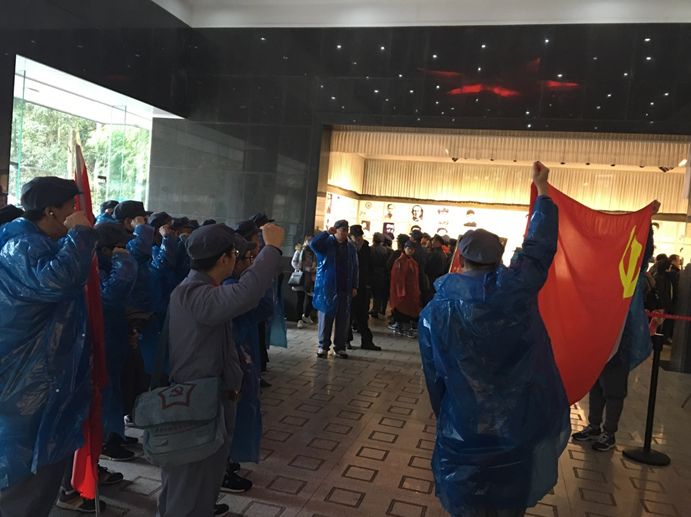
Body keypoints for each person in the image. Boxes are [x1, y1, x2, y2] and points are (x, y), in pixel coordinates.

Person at [418, 162, 570, 517]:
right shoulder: (518, 291)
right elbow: (538, 249)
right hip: (517, 424)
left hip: (463, 427)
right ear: (500, 258)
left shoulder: (436, 311)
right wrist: (542, 191)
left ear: (460, 258)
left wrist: (448, 414)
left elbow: (434, 375)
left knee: (466, 501)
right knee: (508, 499)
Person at [158, 222, 284, 517]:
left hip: (207, 404)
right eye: (237, 255)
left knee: (198, 489)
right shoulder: (194, 294)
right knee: (189, 493)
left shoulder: (199, 290)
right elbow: (247, 293)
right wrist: (271, 250)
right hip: (197, 408)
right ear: (224, 259)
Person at [0, 177, 98, 516]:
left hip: (37, 381)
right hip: (25, 387)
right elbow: (59, 280)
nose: (76, 212)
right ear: (51, 211)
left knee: (40, 476)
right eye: (71, 206)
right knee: (24, 477)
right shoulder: (22, 246)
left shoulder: (35, 242)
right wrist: (81, 234)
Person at [573, 205, 658, 451]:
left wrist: (647, 224)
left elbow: (642, 253)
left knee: (613, 388)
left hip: (620, 338)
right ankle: (594, 426)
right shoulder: (597, 276)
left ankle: (609, 433)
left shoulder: (627, 277)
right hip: (598, 338)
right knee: (596, 385)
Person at [221, 237, 270, 494]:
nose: (251, 264)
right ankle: (221, 471)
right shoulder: (230, 289)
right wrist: (262, 276)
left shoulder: (227, 286)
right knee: (229, 417)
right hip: (229, 365)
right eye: (250, 259)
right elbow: (264, 307)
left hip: (236, 359)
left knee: (233, 415)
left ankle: (224, 464)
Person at [96, 223, 139, 462]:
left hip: (114, 335)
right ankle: (106, 441)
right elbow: (113, 294)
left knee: (114, 390)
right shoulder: (95, 270)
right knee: (106, 393)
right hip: (102, 340)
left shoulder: (106, 267)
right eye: (121, 247)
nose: (126, 251)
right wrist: (123, 262)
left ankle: (115, 433)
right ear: (105, 250)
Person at [311, 220, 359, 359]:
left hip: (345, 287)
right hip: (328, 287)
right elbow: (313, 244)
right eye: (342, 230)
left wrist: (354, 285)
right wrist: (326, 233)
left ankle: (340, 347)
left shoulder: (350, 247)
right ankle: (323, 346)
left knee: (343, 319)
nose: (344, 233)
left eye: (346, 230)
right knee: (325, 318)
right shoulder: (326, 244)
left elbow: (355, 267)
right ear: (335, 230)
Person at [348, 225, 381, 351]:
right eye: (355, 236)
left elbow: (371, 265)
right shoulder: (346, 246)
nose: (358, 239)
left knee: (362, 314)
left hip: (362, 286)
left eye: (360, 236)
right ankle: (346, 340)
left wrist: (369, 281)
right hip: (349, 286)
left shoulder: (366, 247)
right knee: (348, 315)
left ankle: (367, 341)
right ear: (351, 236)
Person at [390, 241, 421, 338]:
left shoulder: (412, 262)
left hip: (410, 290)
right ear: (404, 248)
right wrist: (400, 291)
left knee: (406, 309)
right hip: (403, 290)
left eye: (412, 249)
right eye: (409, 248)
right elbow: (398, 278)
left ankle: (400, 327)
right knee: (403, 309)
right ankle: (405, 328)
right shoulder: (400, 261)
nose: (410, 251)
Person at [292, 234, 317, 329]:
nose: (310, 242)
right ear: (305, 241)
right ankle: (299, 319)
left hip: (311, 279)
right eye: (309, 240)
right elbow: (294, 262)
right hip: (301, 278)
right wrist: (306, 269)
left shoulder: (314, 253)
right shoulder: (300, 251)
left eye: (312, 240)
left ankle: (306, 315)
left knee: (312, 299)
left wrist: (314, 269)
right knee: (300, 299)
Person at [369, 233, 388, 319]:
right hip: (381, 272)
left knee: (369, 293)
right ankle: (376, 310)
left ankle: (369, 309)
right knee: (378, 293)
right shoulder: (384, 250)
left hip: (371, 271)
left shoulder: (370, 249)